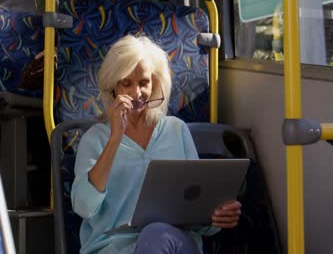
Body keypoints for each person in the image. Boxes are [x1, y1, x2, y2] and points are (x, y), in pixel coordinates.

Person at [71, 35, 242, 254]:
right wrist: (115, 138)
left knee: (157, 234)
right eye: (126, 83)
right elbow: (84, 207)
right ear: (113, 87)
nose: (136, 93)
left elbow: (196, 208)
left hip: (171, 242)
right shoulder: (94, 139)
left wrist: (216, 217)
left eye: (144, 83)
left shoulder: (176, 130)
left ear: (155, 84)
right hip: (113, 248)